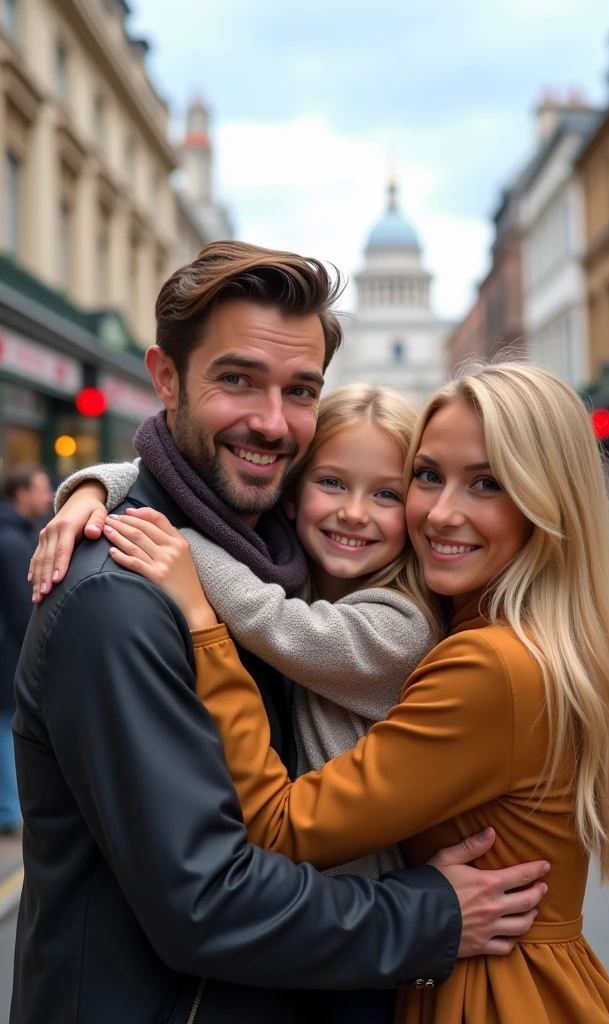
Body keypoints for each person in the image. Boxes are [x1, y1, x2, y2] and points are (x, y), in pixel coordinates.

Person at [16, 244, 548, 1024]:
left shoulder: (269, 563)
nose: (272, 422)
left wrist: (103, 485)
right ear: (165, 379)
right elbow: (206, 899)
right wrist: (428, 913)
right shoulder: (121, 596)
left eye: (300, 391)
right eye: (237, 379)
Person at [95, 361, 609, 1023]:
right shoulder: (489, 623)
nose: (441, 513)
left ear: (549, 501)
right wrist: (97, 487)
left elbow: (281, 826)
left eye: (487, 483)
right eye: (428, 476)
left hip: (491, 992)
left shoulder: (491, 664)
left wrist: (201, 625)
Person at [0, 465, 53, 835]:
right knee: (8, 728)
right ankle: (10, 813)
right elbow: (24, 608)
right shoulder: (13, 542)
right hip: (10, 656)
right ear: (21, 494)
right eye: (41, 489)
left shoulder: (17, 536)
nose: (48, 495)